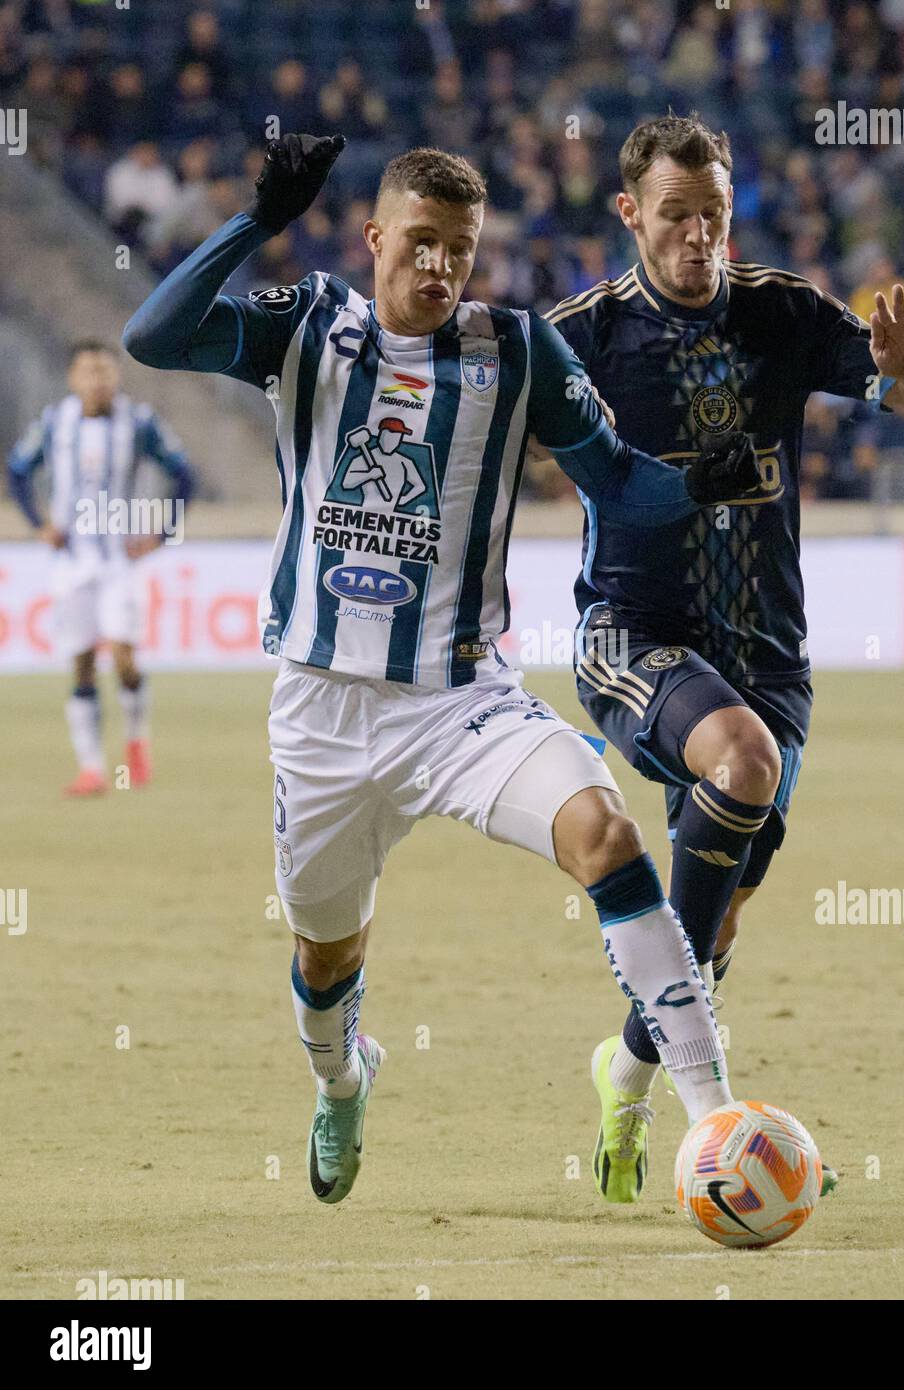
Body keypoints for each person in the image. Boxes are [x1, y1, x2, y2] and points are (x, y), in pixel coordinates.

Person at [122, 134, 762, 1205]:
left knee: (605, 832)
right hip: (322, 715)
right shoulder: (308, 328)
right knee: (326, 962)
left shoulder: (515, 353)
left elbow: (621, 490)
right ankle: (340, 1081)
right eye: (419, 243)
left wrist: (704, 482)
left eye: (457, 251)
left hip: (461, 702)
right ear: (373, 238)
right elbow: (153, 335)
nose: (438, 268)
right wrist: (254, 222)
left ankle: (713, 1120)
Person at [546, 112, 904, 1203]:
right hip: (631, 636)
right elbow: (484, 438)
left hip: (767, 654)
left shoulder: (780, 312)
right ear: (631, 213)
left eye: (714, 217)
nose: (697, 238)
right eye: (675, 216)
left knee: (713, 919)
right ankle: (711, 1101)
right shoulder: (581, 335)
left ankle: (627, 1067)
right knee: (737, 762)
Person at [7, 340, 194, 795]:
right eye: (89, 372)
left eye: (106, 372)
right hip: (71, 563)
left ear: (117, 377)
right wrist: (39, 524)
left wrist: (161, 534)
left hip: (118, 562)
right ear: (73, 379)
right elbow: (17, 471)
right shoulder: (55, 423)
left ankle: (135, 745)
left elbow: (184, 474)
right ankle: (91, 768)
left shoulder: (140, 422)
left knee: (125, 657)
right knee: (82, 663)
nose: (98, 381)